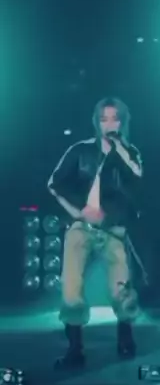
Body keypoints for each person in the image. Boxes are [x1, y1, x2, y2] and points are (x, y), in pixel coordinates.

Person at [47, 97, 143, 369]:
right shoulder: (80, 151)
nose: (109, 124)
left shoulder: (130, 154)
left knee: (121, 287)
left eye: (114, 119)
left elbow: (137, 183)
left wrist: (120, 148)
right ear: (96, 122)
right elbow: (54, 184)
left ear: (122, 122)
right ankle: (75, 348)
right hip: (81, 229)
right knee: (71, 287)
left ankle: (125, 338)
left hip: (113, 229)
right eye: (104, 119)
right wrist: (78, 212)